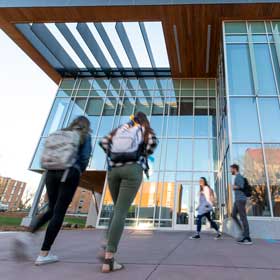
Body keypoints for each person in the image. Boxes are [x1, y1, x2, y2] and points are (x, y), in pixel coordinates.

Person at [14, 116, 92, 265]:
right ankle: (44, 253)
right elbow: (84, 157)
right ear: (86, 126)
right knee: (59, 211)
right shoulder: (85, 136)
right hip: (69, 172)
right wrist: (78, 171)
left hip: (51, 172)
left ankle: (25, 236)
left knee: (51, 209)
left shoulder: (60, 132)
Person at [99, 112, 158, 273]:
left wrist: (115, 156)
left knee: (117, 208)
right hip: (132, 170)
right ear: (144, 120)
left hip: (114, 171)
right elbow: (152, 143)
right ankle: (109, 258)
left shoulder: (122, 129)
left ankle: (107, 243)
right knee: (121, 211)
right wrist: (142, 154)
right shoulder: (144, 130)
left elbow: (104, 142)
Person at [230, 164, 252, 245]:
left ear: (234, 169)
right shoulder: (237, 177)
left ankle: (247, 237)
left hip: (241, 199)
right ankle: (243, 232)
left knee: (243, 217)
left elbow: (241, 186)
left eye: (231, 169)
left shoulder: (239, 176)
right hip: (237, 200)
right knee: (233, 215)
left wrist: (235, 187)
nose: (230, 171)